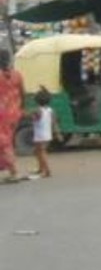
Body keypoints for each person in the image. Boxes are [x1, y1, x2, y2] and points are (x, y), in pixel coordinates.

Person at [0, 49, 26, 183]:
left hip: (2, 115)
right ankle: (10, 170)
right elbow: (23, 93)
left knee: (4, 144)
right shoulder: (17, 75)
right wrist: (22, 108)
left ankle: (14, 172)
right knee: (6, 142)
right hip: (14, 114)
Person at [30, 87, 59, 179]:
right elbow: (54, 123)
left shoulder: (37, 110)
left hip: (40, 135)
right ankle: (40, 168)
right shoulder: (51, 110)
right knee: (37, 151)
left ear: (37, 100)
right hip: (46, 134)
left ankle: (47, 171)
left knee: (41, 153)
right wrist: (57, 133)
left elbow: (34, 118)